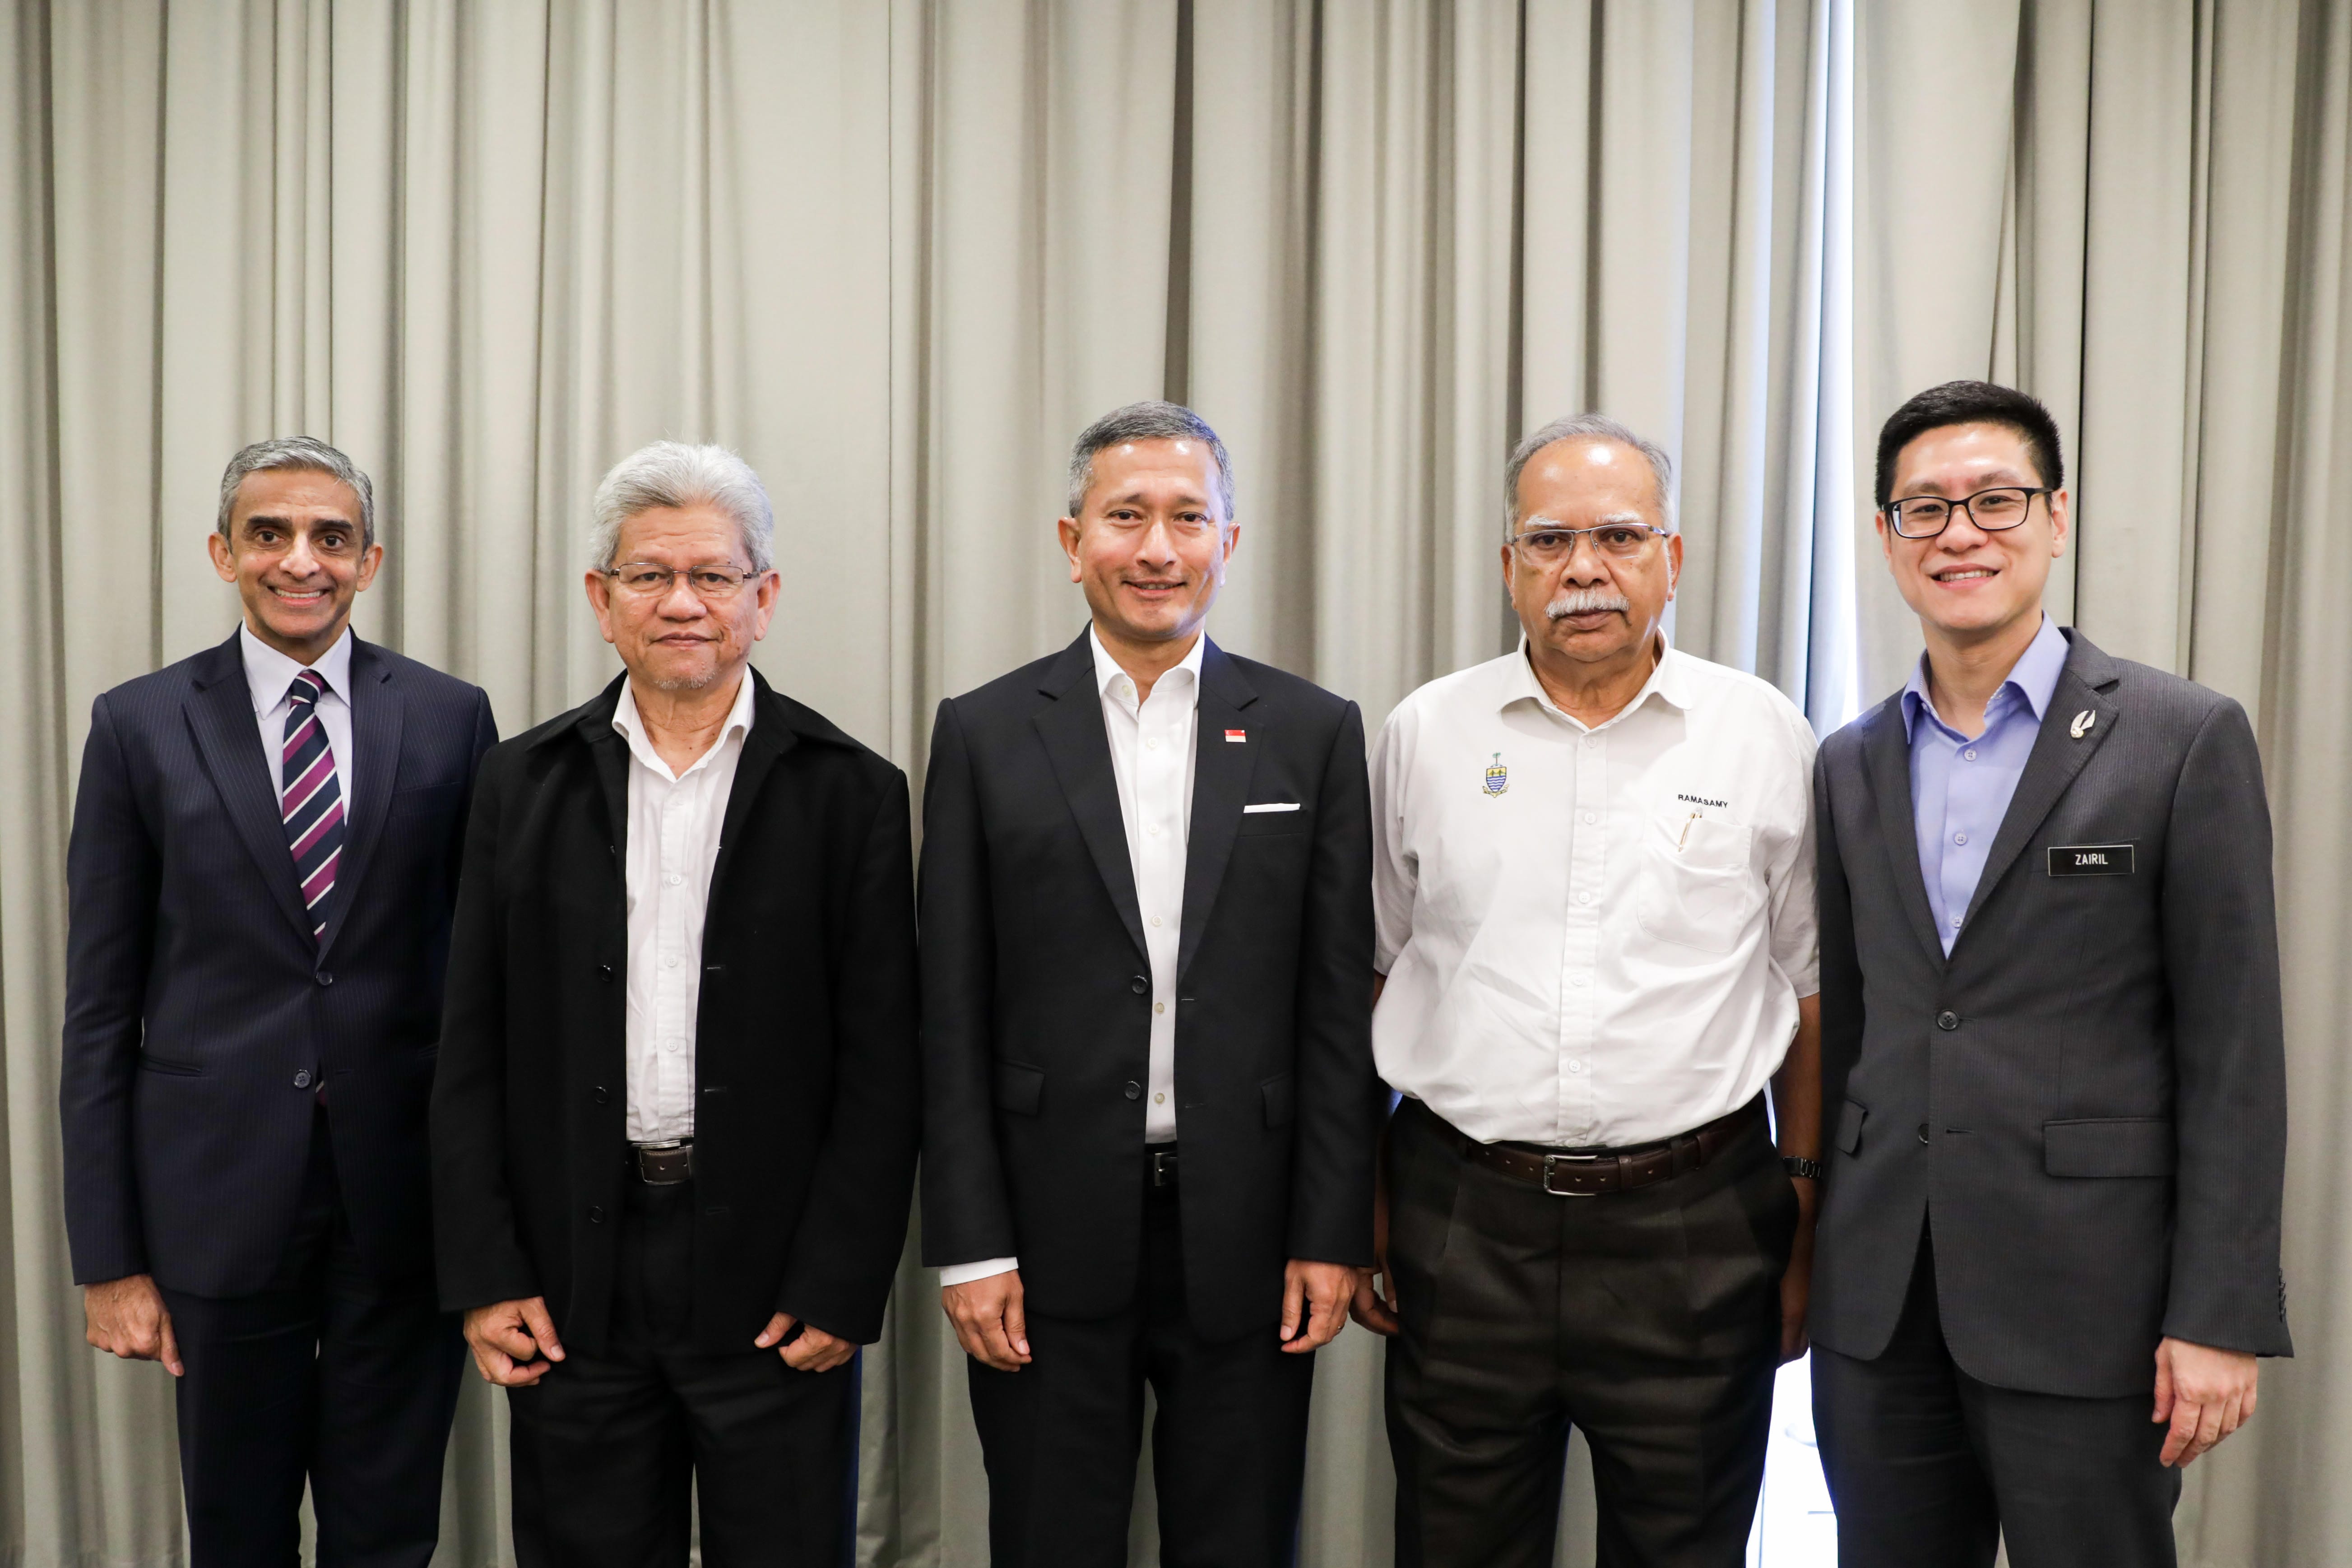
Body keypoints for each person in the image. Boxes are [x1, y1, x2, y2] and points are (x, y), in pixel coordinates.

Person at [1808, 380, 2291, 1566]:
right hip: (1879, 1308)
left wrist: (2217, 1314)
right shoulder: (1849, 761)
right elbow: (1862, 1022)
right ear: (1884, 538)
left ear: (2056, 517)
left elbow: (2232, 1050)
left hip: (2091, 1304)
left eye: (1993, 500)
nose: (1957, 533)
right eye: (1922, 510)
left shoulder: (2178, 740)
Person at [429, 441, 920, 1566]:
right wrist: (488, 1270)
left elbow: (882, 1064)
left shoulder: (852, 793)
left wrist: (841, 1281)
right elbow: (471, 1047)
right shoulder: (520, 783)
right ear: (603, 602)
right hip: (569, 1282)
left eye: (713, 575)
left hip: (774, 1288)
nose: (683, 603)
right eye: (649, 577)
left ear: (764, 598)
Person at [1354, 414, 1823, 1567]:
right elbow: (1372, 971)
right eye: (1548, 541)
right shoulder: (1427, 732)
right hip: (1463, 1220)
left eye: (1617, 537)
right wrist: (1360, 1202)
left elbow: (1811, 993)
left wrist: (1804, 1207)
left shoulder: (1761, 734)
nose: (1583, 571)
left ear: (1672, 556)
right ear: (1507, 565)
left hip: (1695, 1227)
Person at [919, 400, 1378, 1566]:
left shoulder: (1310, 732)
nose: (1157, 548)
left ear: (1230, 540)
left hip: (1249, 1232)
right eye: (1126, 516)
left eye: (1187, 517)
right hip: (1041, 1226)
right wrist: (968, 1244)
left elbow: (1335, 1006)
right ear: (1072, 541)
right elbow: (950, 1007)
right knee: (1048, 1538)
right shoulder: (983, 732)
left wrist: (1331, 1232)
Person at [60, 437, 496, 1564]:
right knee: (237, 1528)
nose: (300, 560)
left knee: (388, 1524)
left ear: (370, 560)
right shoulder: (139, 725)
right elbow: (100, 1007)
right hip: (215, 1200)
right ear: (222, 552)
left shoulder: (452, 718)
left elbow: (483, 983)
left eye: (331, 537)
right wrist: (109, 1259)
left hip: (403, 1200)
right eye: (270, 534)